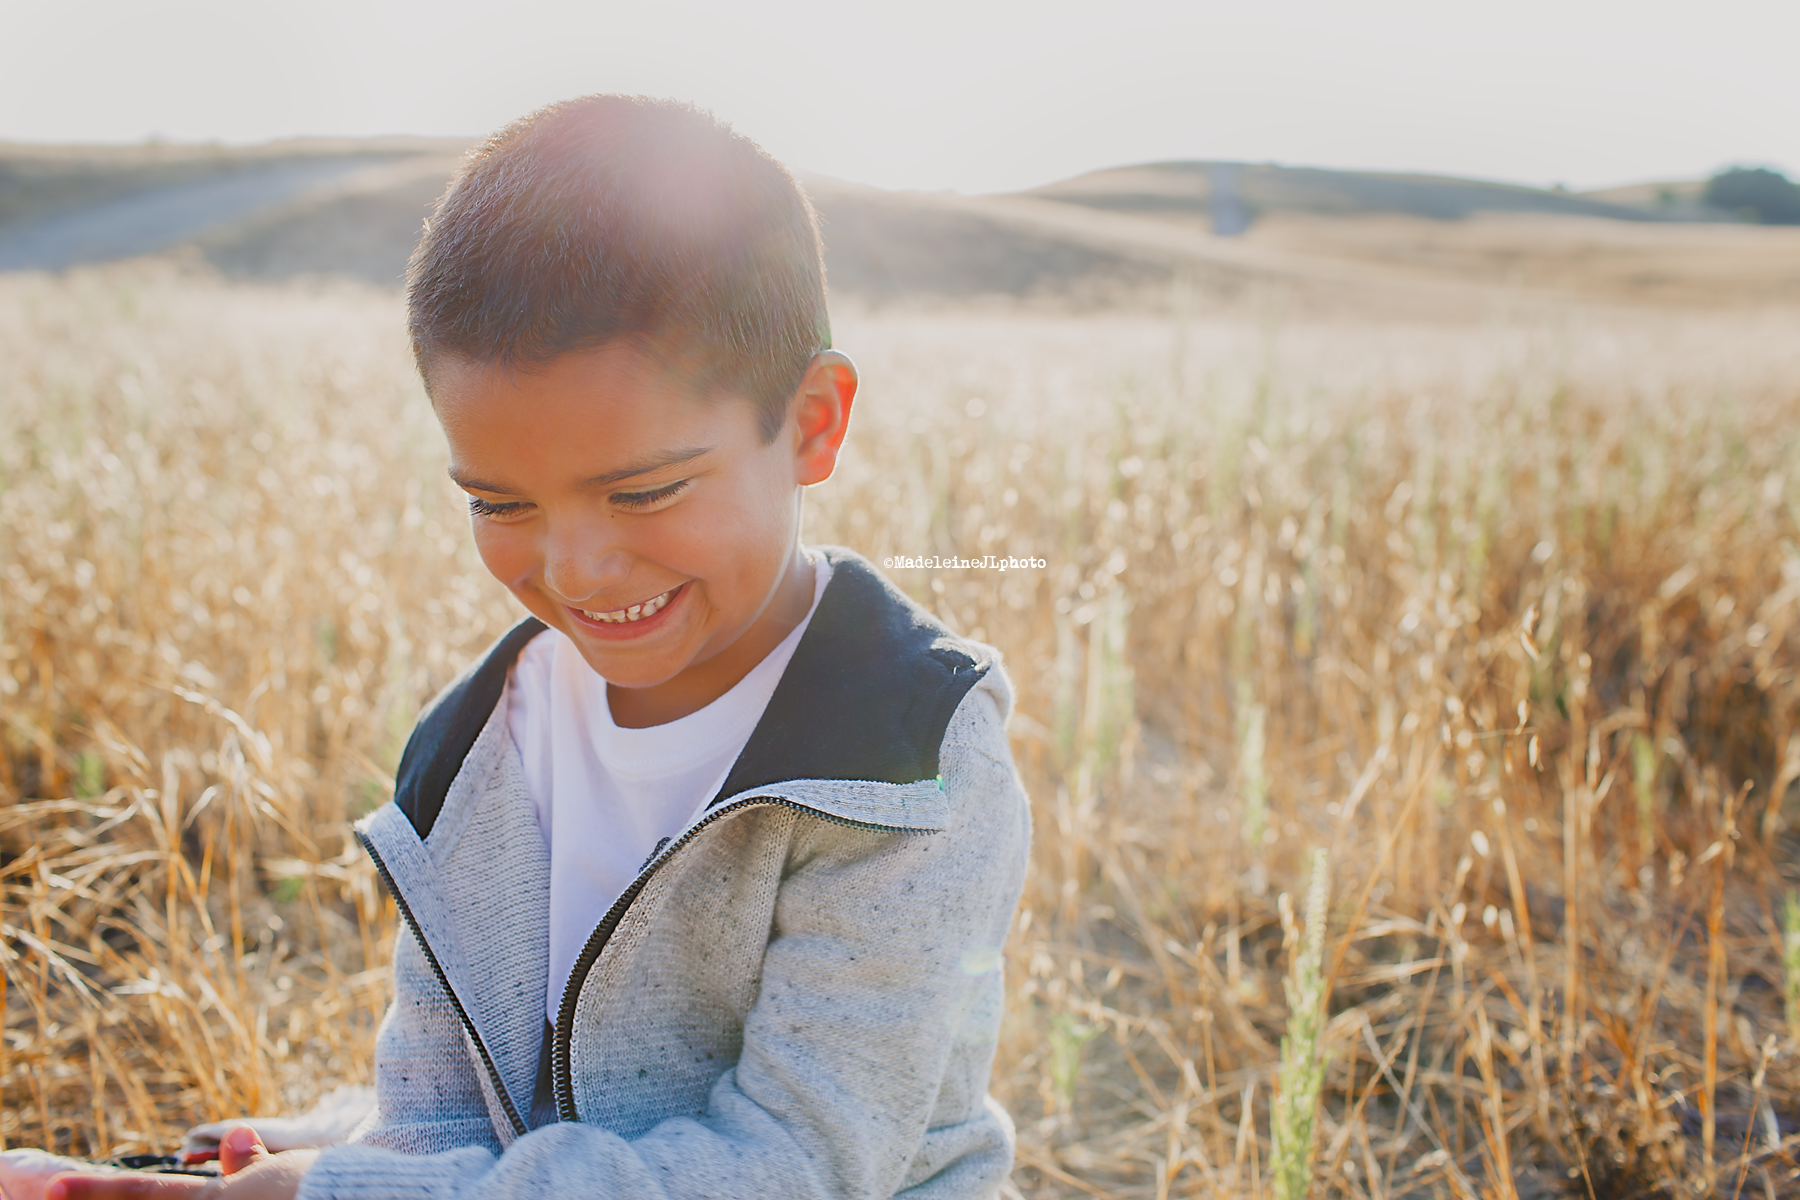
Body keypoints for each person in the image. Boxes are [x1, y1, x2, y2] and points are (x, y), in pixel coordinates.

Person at [16, 95, 1032, 1200]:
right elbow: (447, 1118)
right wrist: (328, 1161)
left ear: (813, 424)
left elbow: (794, 1167)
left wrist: (341, 1196)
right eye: (500, 503)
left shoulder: (906, 758)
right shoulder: (474, 750)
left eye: (645, 490)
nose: (579, 569)